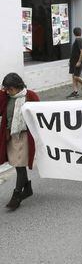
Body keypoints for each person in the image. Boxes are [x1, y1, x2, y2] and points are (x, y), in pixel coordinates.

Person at [0, 73, 40, 211]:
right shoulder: (7, 98)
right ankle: (27, 188)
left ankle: (17, 195)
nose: (8, 92)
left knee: (20, 164)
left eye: (10, 89)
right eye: (6, 89)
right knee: (18, 165)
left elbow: (40, 115)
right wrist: (2, 92)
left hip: (24, 136)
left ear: (18, 86)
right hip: (11, 136)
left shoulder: (30, 96)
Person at [67, 27, 82, 98]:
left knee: (76, 76)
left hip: (77, 61)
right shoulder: (77, 40)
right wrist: (70, 61)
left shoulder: (79, 40)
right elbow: (73, 52)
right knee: (73, 76)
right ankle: (75, 91)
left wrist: (79, 61)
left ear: (73, 33)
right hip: (73, 61)